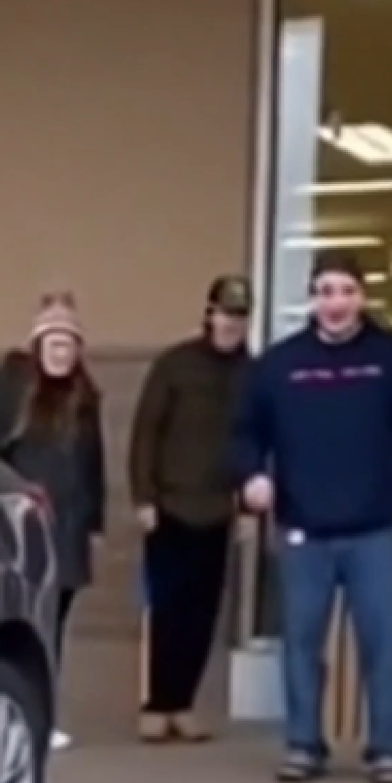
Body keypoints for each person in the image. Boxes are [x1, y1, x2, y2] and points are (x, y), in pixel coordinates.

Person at [232, 250, 392, 783]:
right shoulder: (281, 364)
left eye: (347, 291)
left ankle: (386, 750)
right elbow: (244, 432)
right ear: (314, 298)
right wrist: (249, 478)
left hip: (375, 527)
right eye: (326, 291)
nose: (336, 303)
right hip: (303, 527)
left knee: (383, 642)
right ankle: (303, 745)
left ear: (363, 297)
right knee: (301, 643)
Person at [0, 291, 106, 750]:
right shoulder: (10, 391)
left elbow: (93, 461)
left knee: (55, 624)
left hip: (67, 527)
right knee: (26, 623)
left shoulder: (84, 397)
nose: (61, 353)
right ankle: (25, 717)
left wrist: (95, 522)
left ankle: (44, 718)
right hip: (24, 527)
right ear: (38, 345)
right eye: (54, 344)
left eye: (69, 345)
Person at [127, 274, 254, 744]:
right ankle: (156, 704)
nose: (231, 324)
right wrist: (143, 496)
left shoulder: (253, 374)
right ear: (209, 314)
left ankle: (183, 704)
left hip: (221, 509)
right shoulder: (175, 366)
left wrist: (247, 510)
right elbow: (146, 433)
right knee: (167, 609)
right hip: (170, 507)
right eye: (225, 314)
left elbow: (257, 444)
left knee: (203, 613)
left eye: (240, 316)